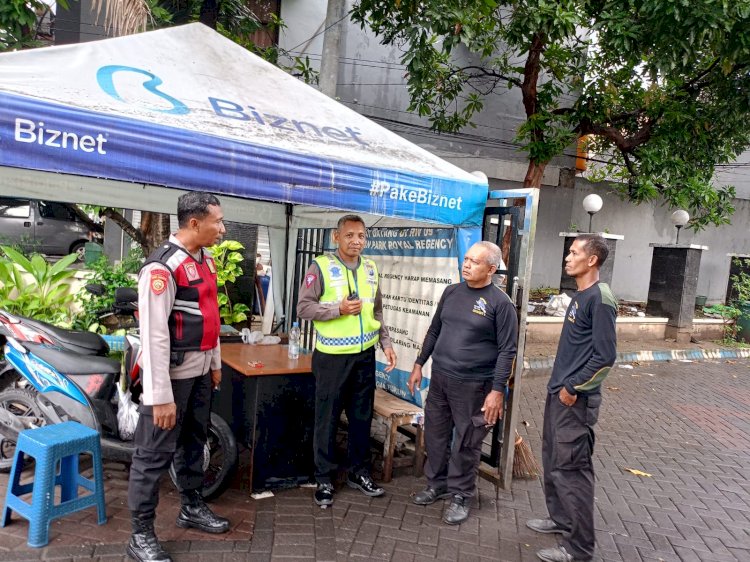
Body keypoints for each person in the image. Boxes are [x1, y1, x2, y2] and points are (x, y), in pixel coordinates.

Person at [127, 192, 230, 562]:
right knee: (152, 455)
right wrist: (160, 397)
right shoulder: (161, 268)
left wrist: (215, 362)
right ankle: (140, 534)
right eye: (217, 221)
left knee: (193, 441)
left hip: (201, 372)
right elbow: (154, 335)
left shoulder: (206, 261)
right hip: (171, 379)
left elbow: (211, 316)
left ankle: (191, 506)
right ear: (194, 223)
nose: (222, 228)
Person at [408, 241, 518, 525]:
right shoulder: (452, 292)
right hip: (441, 379)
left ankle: (461, 495)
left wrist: (497, 390)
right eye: (466, 259)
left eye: (475, 261)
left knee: (467, 443)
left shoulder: (500, 304)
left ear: (491, 269)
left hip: (475, 385)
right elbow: (435, 329)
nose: (466, 264)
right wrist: (420, 363)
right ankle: (437, 483)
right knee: (436, 434)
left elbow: (508, 350)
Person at [527, 234, 617, 562]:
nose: (567, 257)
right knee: (553, 461)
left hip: (575, 401)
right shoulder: (580, 296)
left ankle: (579, 548)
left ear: (591, 260)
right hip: (559, 394)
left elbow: (605, 357)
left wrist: (573, 387)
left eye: (574, 252)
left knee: (572, 470)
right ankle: (561, 519)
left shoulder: (600, 298)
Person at [297, 214, 397, 507]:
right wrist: (337, 309)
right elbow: (304, 308)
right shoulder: (321, 267)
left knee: (361, 418)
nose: (356, 241)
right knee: (327, 420)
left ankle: (358, 472)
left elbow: (377, 313)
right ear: (336, 237)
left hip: (364, 357)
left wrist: (386, 343)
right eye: (350, 235)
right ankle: (324, 479)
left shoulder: (370, 268)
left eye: (361, 236)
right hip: (331, 358)